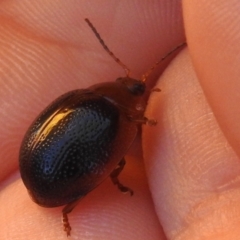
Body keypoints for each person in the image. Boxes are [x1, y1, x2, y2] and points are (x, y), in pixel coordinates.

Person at [1, 1, 240, 239]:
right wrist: (145, 120)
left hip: (36, 167)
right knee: (120, 164)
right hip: (46, 176)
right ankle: (68, 211)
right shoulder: (110, 114)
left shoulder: (84, 97)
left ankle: (70, 207)